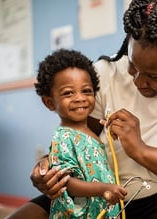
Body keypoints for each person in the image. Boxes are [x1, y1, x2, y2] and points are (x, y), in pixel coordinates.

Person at [7, 0, 157, 218]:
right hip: (97, 191)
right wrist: (48, 168)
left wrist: (141, 150)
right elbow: (75, 136)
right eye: (132, 67)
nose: (138, 82)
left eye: (153, 76)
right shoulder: (104, 72)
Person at [33, 49, 126, 218]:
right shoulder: (64, 137)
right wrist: (103, 189)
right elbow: (66, 183)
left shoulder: (94, 133)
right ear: (49, 102)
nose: (80, 98)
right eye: (68, 93)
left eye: (87, 91)